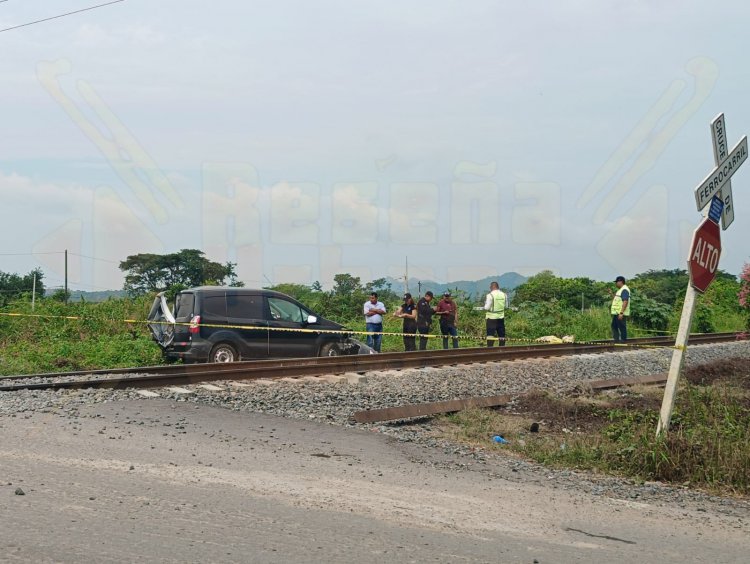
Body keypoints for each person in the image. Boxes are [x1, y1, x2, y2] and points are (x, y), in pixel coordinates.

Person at [482, 281, 507, 347]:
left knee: (490, 335)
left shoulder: (490, 295)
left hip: (491, 318)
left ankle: (490, 350)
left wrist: (484, 307)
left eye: (490, 287)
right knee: (501, 334)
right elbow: (506, 306)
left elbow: (487, 307)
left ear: (492, 287)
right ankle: (502, 349)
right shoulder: (504, 295)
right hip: (501, 317)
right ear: (498, 287)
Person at [609, 275, 631, 342]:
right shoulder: (620, 290)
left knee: (622, 326)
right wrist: (611, 294)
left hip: (621, 313)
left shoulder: (624, 290)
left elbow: (625, 301)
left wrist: (621, 312)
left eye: (616, 282)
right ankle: (616, 339)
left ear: (620, 282)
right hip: (617, 312)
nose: (616, 283)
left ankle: (623, 340)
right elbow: (616, 299)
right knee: (614, 325)